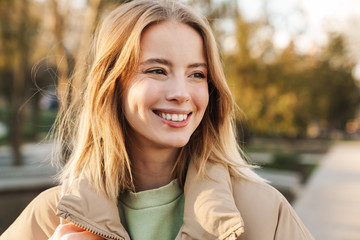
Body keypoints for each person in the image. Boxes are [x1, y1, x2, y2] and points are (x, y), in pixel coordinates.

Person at [1, 0, 314, 239]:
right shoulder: (50, 217)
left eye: (197, 74)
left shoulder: (263, 213)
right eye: (156, 70)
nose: (182, 93)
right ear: (112, 85)